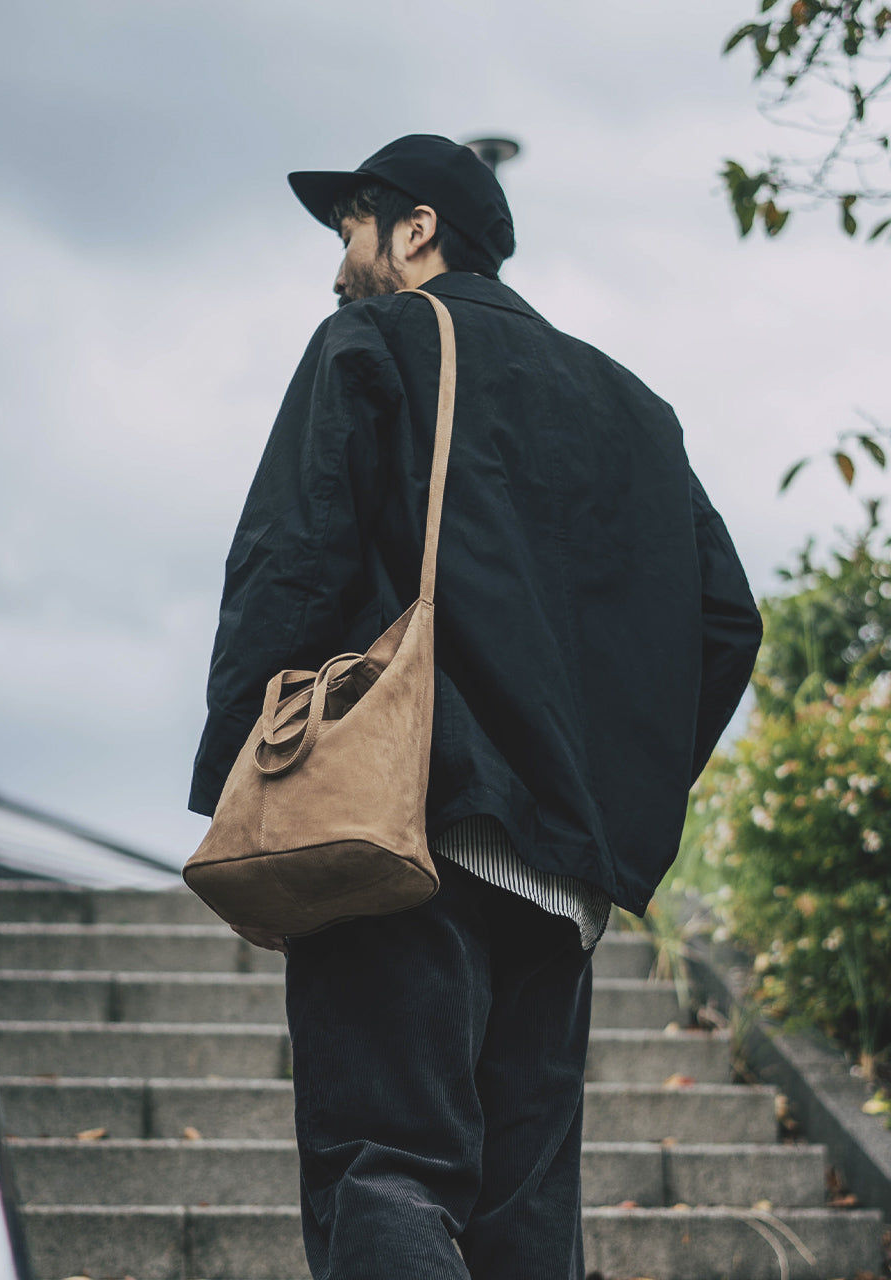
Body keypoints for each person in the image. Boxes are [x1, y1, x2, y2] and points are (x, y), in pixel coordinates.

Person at [189, 134, 762, 1280]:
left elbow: (289, 562)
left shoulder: (381, 339)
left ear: (414, 228)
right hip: (562, 880)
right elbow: (725, 622)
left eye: (351, 227)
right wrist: (611, 794)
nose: (339, 261)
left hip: (406, 830)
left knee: (386, 1166)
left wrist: (242, 775)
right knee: (519, 1225)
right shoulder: (638, 413)